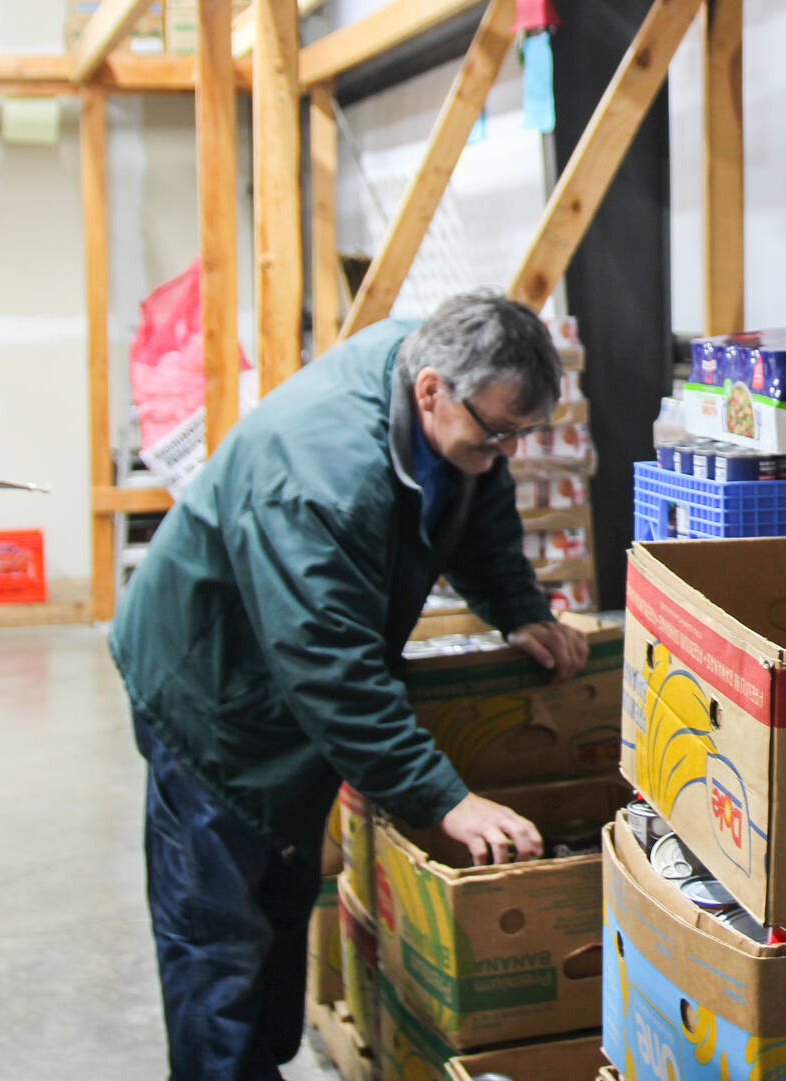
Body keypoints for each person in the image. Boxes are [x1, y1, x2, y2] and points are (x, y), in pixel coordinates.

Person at [110, 288, 590, 1080]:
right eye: (496, 432)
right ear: (431, 389)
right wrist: (444, 798)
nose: (504, 450)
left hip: (288, 675)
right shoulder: (319, 477)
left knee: (278, 904)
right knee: (218, 935)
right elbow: (334, 670)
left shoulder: (443, 387)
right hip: (211, 689)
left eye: (521, 434)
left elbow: (476, 497)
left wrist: (518, 608)